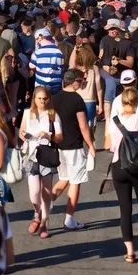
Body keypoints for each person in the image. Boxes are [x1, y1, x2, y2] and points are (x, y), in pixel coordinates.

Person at [105, 86, 138, 263]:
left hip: (119, 165)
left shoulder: (114, 121)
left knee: (125, 209)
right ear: (136, 102)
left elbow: (112, 146)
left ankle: (129, 251)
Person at [50, 68, 95, 231]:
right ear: (75, 81)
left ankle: (44, 206)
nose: (82, 83)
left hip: (58, 145)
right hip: (74, 145)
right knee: (75, 182)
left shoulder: (54, 99)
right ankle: (69, 219)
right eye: (81, 80)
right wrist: (90, 145)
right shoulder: (77, 99)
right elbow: (83, 126)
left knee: (64, 178)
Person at [20, 86, 61, 239]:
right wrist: (24, 136)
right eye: (39, 98)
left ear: (49, 99)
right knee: (34, 193)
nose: (42, 101)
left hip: (47, 155)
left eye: (45, 99)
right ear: (34, 100)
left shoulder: (53, 115)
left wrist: (48, 136)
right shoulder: (27, 113)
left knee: (46, 191)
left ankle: (44, 222)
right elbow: (21, 131)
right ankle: (36, 213)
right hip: (31, 155)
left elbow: (59, 137)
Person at [31, 27, 65, 94]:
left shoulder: (37, 53)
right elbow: (61, 68)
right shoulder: (59, 52)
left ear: (40, 38)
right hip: (56, 85)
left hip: (41, 85)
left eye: (37, 39)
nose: (37, 42)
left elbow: (32, 66)